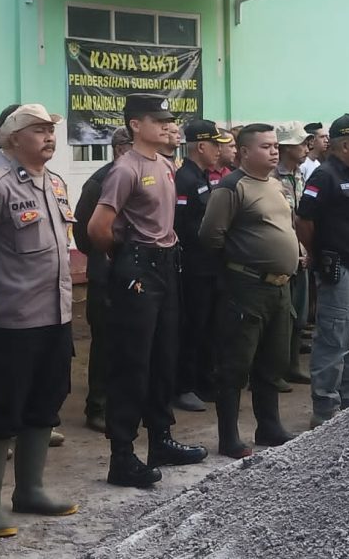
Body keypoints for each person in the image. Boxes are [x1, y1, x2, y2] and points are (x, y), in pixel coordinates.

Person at [0, 104, 77, 537]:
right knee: (1, 407)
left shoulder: (56, 184)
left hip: (56, 315)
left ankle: (31, 490)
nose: (48, 136)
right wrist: (4, 271)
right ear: (13, 139)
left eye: (50, 130)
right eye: (38, 130)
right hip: (13, 320)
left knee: (45, 401)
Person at [88, 94, 207, 489]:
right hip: (139, 265)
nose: (166, 125)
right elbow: (97, 228)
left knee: (163, 356)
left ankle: (161, 439)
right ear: (136, 125)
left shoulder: (165, 164)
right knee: (132, 363)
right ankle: (122, 455)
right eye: (157, 120)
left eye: (169, 120)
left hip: (167, 263)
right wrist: (126, 259)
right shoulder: (126, 169)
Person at [200, 123, 299, 458]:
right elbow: (211, 236)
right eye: (266, 146)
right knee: (235, 364)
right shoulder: (231, 187)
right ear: (243, 152)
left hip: (280, 288)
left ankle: (268, 426)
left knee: (273, 361)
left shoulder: (275, 184)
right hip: (246, 287)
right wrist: (242, 264)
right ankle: (229, 437)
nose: (274, 151)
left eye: (275, 146)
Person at [296, 114, 349, 427]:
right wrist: (318, 253)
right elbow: (304, 220)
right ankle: (326, 410)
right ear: (344, 144)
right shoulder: (325, 176)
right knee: (335, 341)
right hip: (341, 268)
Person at [73, 126, 131, 433]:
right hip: (106, 272)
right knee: (106, 343)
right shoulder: (99, 182)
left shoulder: (143, 175)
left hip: (136, 271)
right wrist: (104, 254)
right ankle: (98, 406)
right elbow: (83, 233)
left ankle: (125, 404)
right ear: (121, 148)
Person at [172, 119, 226, 412]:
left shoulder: (204, 177)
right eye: (215, 144)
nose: (219, 150)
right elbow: (181, 224)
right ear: (201, 146)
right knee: (192, 327)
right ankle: (184, 386)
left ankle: (204, 381)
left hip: (209, 266)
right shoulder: (186, 179)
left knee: (208, 328)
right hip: (193, 268)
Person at [274, 121, 310, 384]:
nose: (306, 147)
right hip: (280, 251)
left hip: (300, 250)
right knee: (282, 315)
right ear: (286, 147)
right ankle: (275, 369)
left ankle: (292, 364)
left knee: (300, 310)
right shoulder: (272, 177)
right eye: (300, 143)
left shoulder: (299, 175)